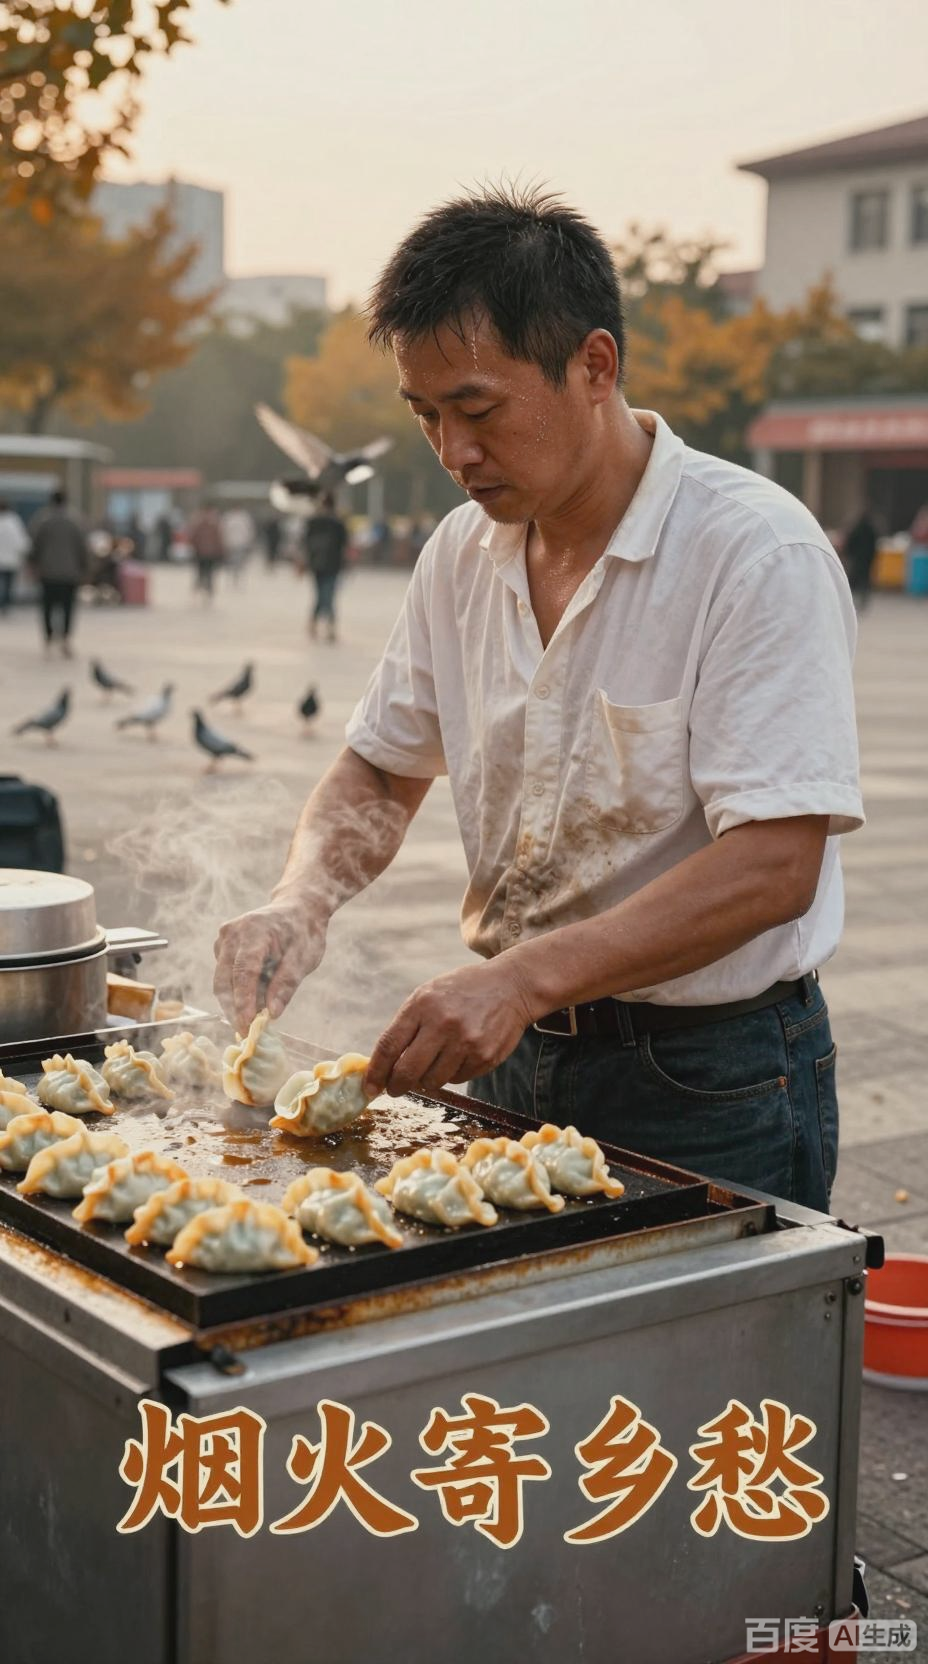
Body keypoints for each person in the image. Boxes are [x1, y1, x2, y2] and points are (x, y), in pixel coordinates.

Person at [214, 185, 863, 1214]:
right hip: (510, 1056)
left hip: (712, 1078)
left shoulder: (753, 551)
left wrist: (522, 977)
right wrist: (303, 898)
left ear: (594, 366)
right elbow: (382, 765)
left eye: (477, 411)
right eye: (425, 415)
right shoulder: (459, 554)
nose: (453, 452)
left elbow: (775, 864)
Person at [28, 488, 90, 655]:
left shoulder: (42, 519)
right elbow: (83, 548)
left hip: (48, 572)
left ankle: (48, 638)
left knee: (47, 606)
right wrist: (85, 569)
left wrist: (33, 565)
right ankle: (65, 638)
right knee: (68, 607)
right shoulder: (76, 520)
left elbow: (34, 546)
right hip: (70, 573)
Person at [304, 493, 348, 641]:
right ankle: (329, 627)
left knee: (321, 595)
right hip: (332, 564)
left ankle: (315, 623)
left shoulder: (313, 521)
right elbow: (345, 544)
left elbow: (306, 543)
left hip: (317, 563)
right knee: (327, 595)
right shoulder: (338, 523)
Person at [842, 507, 879, 612]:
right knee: (865, 580)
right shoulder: (871, 529)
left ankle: (850, 600)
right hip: (867, 559)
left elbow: (851, 542)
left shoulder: (857, 528)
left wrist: (848, 553)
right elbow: (874, 544)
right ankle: (862, 600)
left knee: (854, 579)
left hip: (857, 558)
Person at [188, 504, 224, 600]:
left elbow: (218, 540)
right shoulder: (208, 525)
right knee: (204, 573)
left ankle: (205, 590)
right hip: (204, 553)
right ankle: (202, 589)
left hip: (207, 553)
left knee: (206, 573)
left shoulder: (208, 525)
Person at [0, 498, 29, 614]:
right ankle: (5, 605)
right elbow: (21, 541)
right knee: (8, 584)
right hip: (10, 560)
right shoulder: (14, 522)